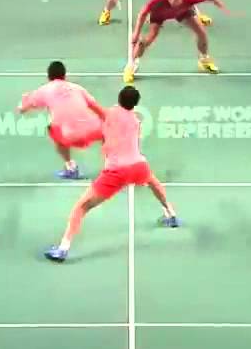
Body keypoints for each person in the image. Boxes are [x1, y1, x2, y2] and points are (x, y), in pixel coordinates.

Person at [44, 85, 179, 263]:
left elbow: (93, 113)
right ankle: (171, 214)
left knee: (81, 207)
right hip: (138, 166)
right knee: (153, 183)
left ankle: (63, 248)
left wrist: (66, 131)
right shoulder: (136, 121)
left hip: (115, 172)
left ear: (119, 98)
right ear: (135, 104)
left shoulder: (110, 115)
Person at [125, 0, 228, 83]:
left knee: (201, 33)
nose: (172, 0)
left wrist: (224, 8)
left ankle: (204, 60)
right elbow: (143, 13)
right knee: (146, 40)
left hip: (182, 11)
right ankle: (131, 66)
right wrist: (136, 32)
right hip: (160, 13)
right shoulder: (158, 1)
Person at [16, 60, 107, 179]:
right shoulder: (77, 88)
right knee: (107, 130)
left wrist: (23, 102)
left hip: (68, 135)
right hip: (92, 131)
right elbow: (99, 111)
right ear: (64, 75)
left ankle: (71, 167)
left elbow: (22, 109)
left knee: (52, 128)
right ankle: (110, 166)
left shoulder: (44, 90)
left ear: (48, 77)